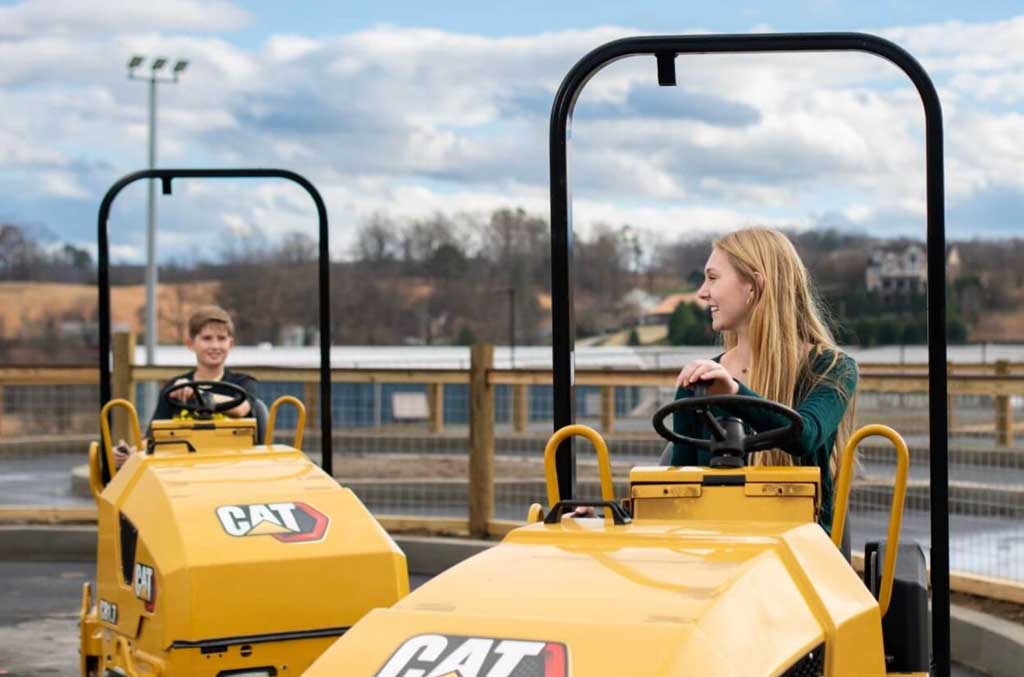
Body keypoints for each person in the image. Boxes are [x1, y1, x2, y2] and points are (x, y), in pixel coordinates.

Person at [669, 227, 857, 537]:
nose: (702, 292)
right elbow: (676, 490)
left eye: (713, 278)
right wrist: (603, 518)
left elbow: (804, 435)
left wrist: (734, 393)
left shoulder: (833, 369)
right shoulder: (700, 383)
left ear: (754, 285)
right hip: (719, 551)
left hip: (800, 555)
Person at [113, 305, 258, 467]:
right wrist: (130, 452)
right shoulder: (174, 389)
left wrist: (196, 394)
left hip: (234, 468)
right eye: (207, 338)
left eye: (221, 338)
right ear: (190, 343)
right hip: (183, 470)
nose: (215, 346)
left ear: (231, 344)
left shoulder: (244, 383)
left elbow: (240, 409)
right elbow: (154, 439)